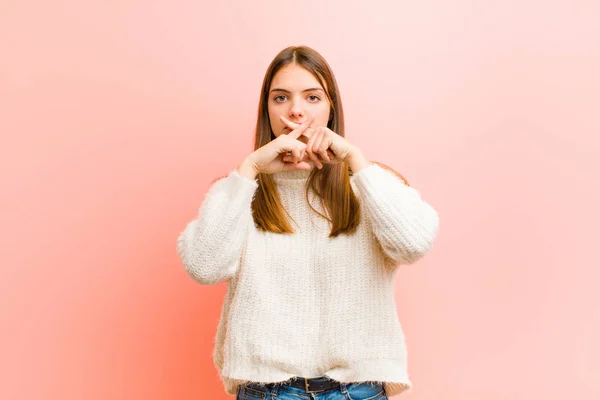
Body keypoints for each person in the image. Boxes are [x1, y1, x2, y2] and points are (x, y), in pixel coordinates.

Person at [177, 45, 440, 399]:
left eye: (312, 97)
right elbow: (204, 266)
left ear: (331, 108)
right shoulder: (239, 190)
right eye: (281, 98)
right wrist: (249, 170)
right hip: (268, 392)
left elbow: (413, 244)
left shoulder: (370, 184)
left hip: (358, 390)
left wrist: (356, 162)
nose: (296, 111)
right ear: (266, 110)